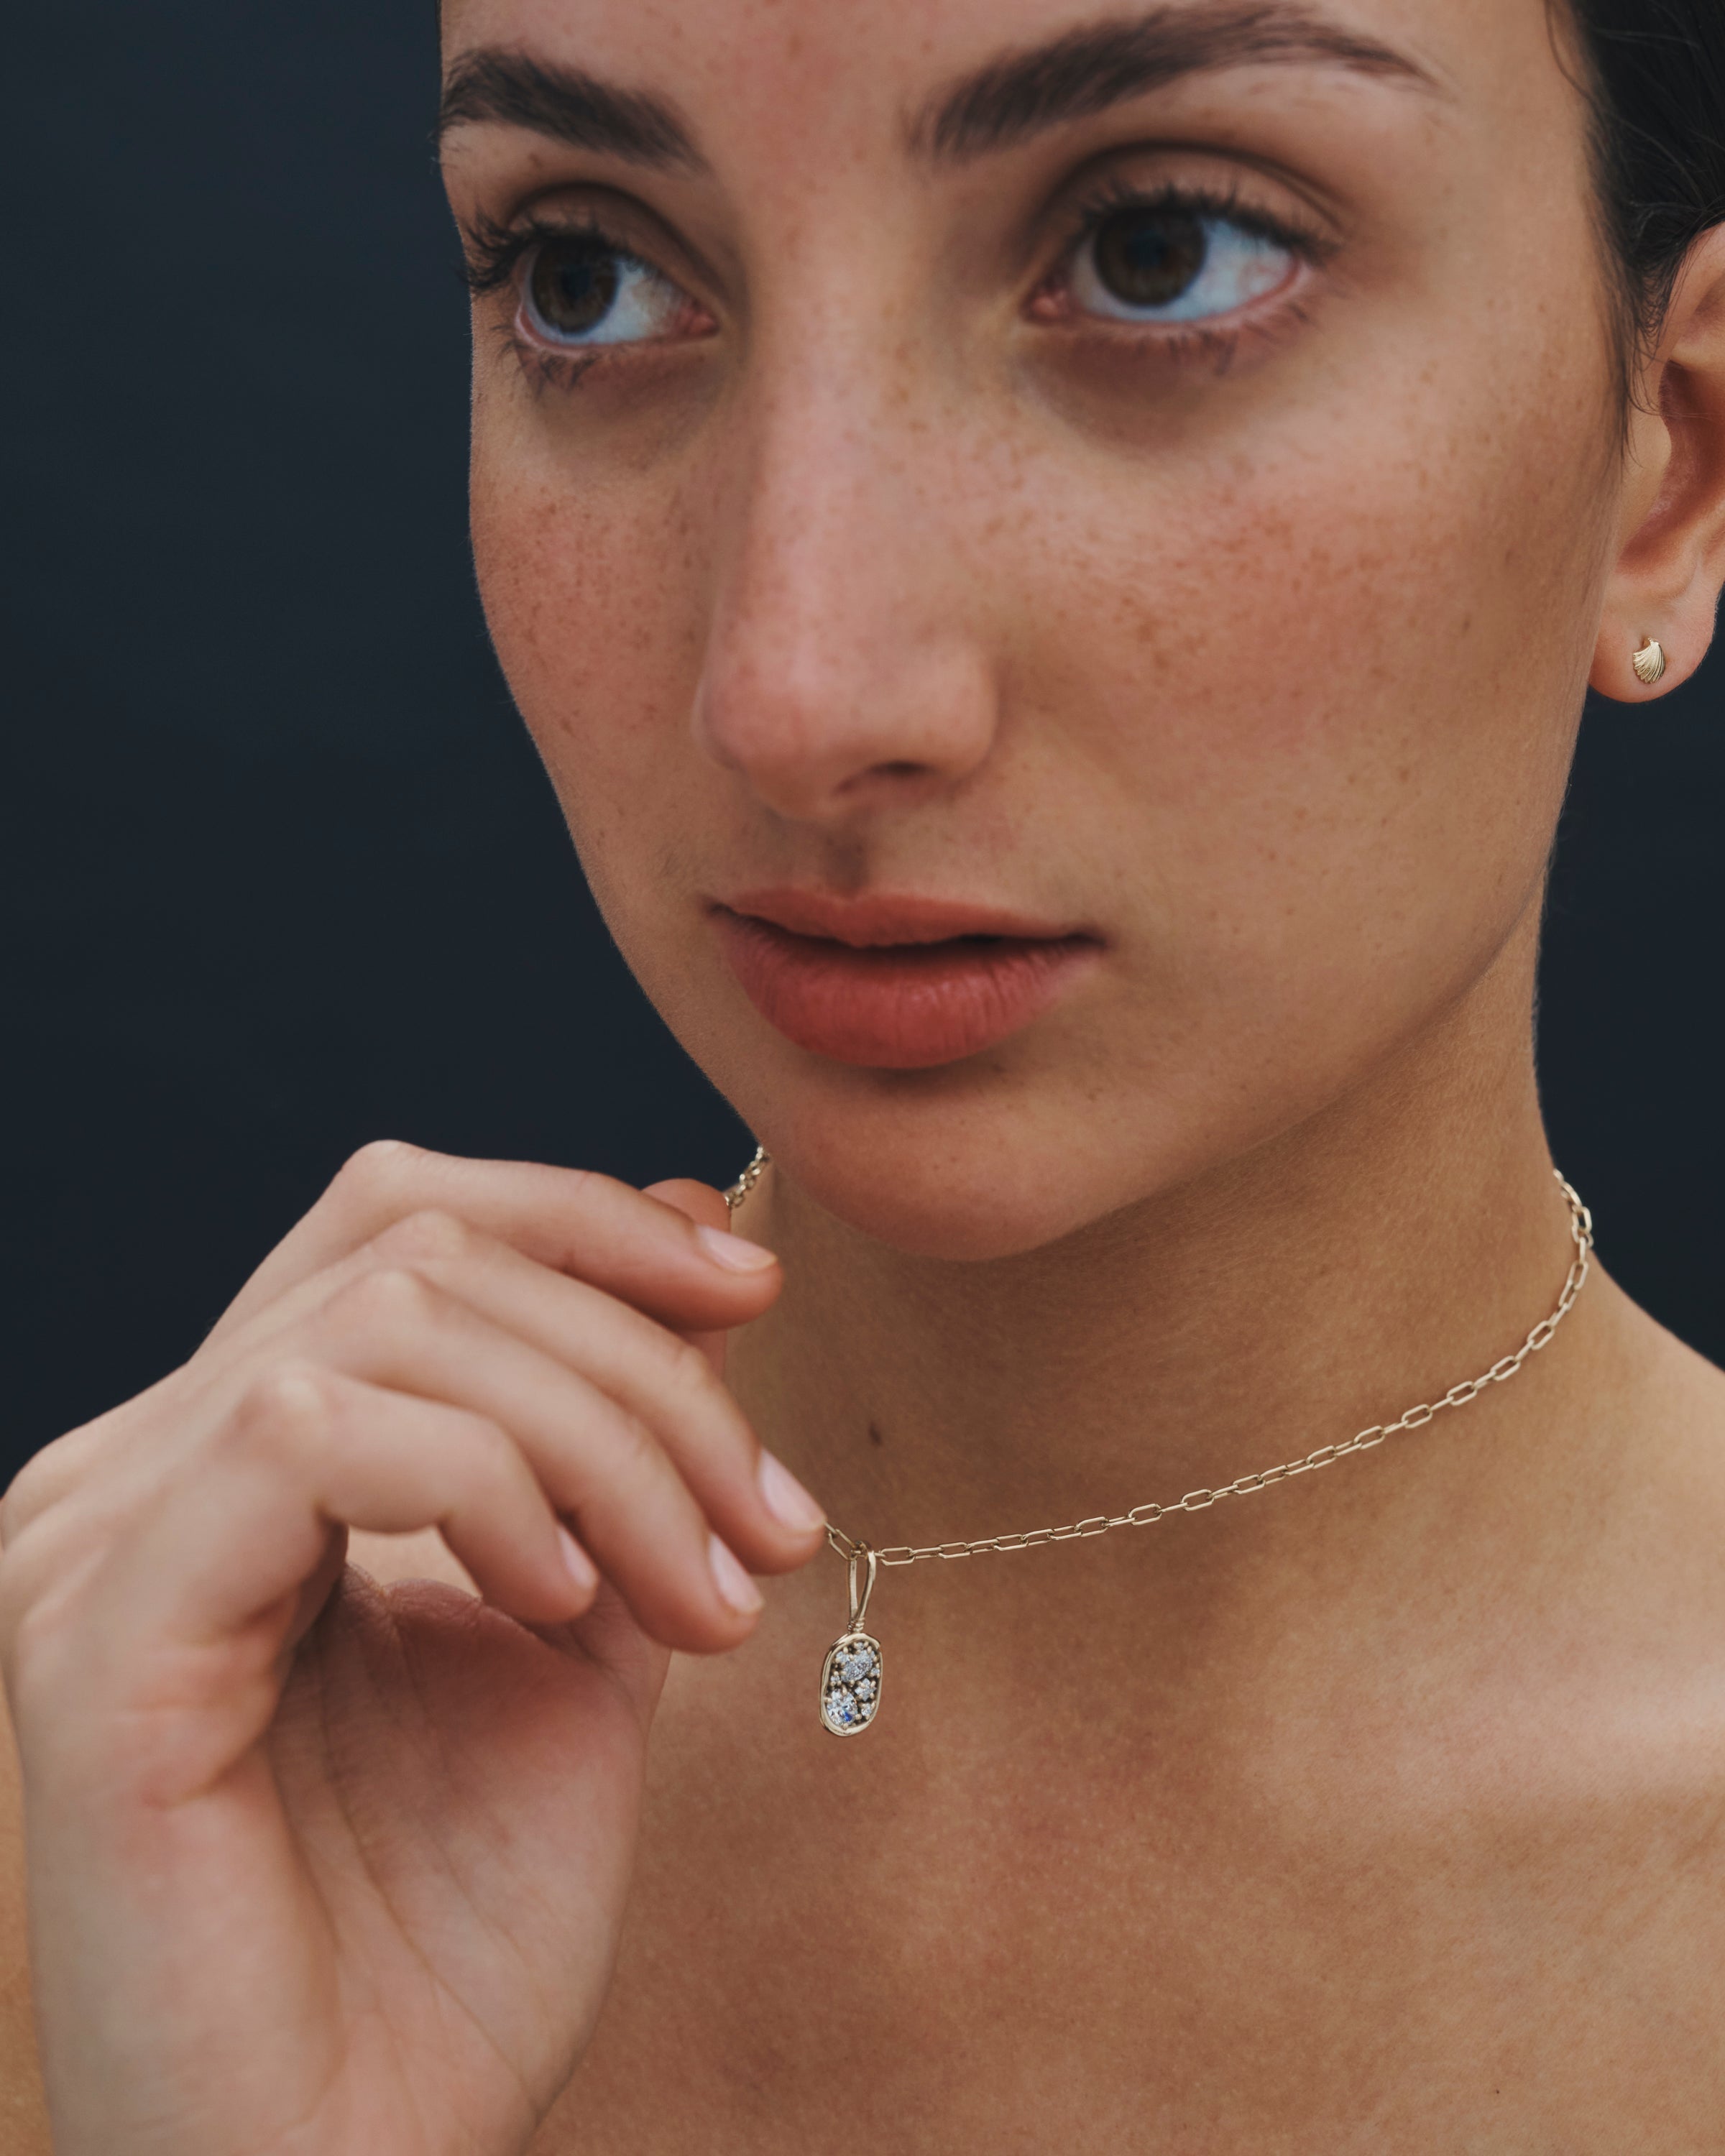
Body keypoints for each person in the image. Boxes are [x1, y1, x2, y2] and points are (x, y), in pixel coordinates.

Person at [4, 0, 1725, 2146]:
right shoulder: (129, 1811)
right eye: (587, 274)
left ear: (1671, 451)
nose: (795, 690)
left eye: (1163, 250)